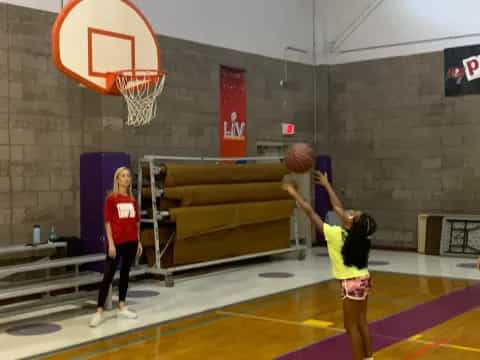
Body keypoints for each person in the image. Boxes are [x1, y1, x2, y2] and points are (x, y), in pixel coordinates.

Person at [282, 171, 377, 360]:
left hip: (351, 283)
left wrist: (293, 193)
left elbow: (310, 212)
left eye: (351, 213)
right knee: (362, 323)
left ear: (350, 222)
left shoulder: (335, 234)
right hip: (364, 279)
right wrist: (326, 185)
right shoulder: (359, 237)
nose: (347, 211)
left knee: (351, 328)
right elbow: (337, 207)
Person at [90, 166, 143, 327]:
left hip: (131, 242)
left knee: (125, 274)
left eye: (128, 176)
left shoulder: (133, 200)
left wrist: (138, 241)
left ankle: (121, 306)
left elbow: (136, 223)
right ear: (117, 179)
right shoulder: (111, 199)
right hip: (117, 243)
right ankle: (99, 311)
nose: (126, 178)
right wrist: (111, 243)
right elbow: (107, 223)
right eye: (123, 176)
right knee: (108, 276)